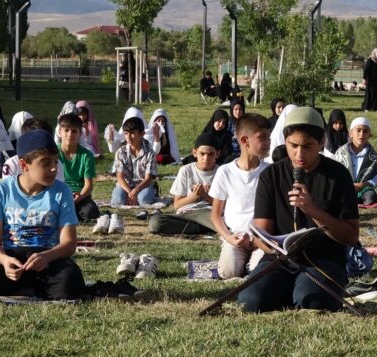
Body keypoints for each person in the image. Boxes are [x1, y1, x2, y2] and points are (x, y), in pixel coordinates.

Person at [237, 107, 359, 313]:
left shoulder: (338, 175)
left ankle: (298, 290)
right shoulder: (272, 175)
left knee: (311, 300)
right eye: (293, 146)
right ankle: (288, 288)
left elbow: (351, 236)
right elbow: (261, 233)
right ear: (285, 141)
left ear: (322, 143)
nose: (299, 154)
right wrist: (275, 248)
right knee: (249, 301)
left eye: (307, 146)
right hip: (279, 260)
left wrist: (312, 210)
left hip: (323, 260)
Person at [0, 129, 85, 300]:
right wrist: (4, 261)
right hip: (13, 258)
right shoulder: (1, 190)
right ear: (24, 165)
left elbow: (69, 244)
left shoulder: (61, 191)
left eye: (56, 162)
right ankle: (27, 286)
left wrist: (46, 256)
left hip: (48, 259)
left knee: (71, 285)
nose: (54, 168)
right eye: (46, 163)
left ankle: (31, 287)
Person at [209, 113, 271, 278]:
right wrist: (229, 238)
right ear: (244, 141)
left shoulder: (270, 171)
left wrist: (261, 240)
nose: (268, 143)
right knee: (229, 272)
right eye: (262, 138)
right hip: (236, 237)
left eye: (269, 138)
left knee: (261, 273)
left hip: (262, 239)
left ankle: (253, 264)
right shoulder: (226, 172)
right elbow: (215, 215)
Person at [149, 133, 219, 236]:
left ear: (217, 154)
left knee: (225, 221)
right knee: (156, 222)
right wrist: (194, 196)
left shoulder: (221, 172)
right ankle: (201, 228)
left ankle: (202, 227)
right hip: (186, 213)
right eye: (202, 154)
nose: (206, 158)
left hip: (208, 212)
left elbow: (225, 206)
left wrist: (206, 196)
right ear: (194, 153)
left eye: (210, 154)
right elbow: (177, 205)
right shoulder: (186, 170)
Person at [56, 113, 100, 223]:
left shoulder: (87, 155)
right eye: (66, 130)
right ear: (59, 132)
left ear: (80, 133)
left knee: (91, 211)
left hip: (79, 196)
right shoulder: (52, 153)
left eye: (74, 131)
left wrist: (78, 197)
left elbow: (88, 185)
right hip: (57, 194)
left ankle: (68, 213)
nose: (70, 134)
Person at [111, 116, 157, 206]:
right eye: (126, 133)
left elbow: (148, 178)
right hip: (125, 186)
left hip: (143, 186)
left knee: (144, 200)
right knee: (118, 201)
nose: (128, 137)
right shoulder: (120, 152)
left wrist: (136, 190)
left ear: (142, 134)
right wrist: (130, 192)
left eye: (132, 133)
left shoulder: (150, 152)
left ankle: (152, 192)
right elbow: (119, 177)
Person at [333, 117, 377, 205]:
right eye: (358, 130)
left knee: (371, 198)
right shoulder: (341, 153)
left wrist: (363, 184)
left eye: (365, 131)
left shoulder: (372, 155)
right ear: (350, 133)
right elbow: (335, 173)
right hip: (345, 187)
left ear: (369, 135)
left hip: (364, 188)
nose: (361, 134)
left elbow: (376, 177)